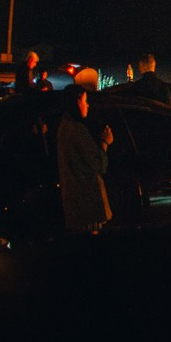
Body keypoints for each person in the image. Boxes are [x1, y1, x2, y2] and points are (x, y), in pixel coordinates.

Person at [57, 83, 115, 234]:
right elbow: (98, 164)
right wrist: (105, 142)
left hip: (74, 203)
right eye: (85, 101)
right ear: (77, 102)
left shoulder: (64, 127)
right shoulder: (77, 131)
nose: (87, 105)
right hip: (87, 203)